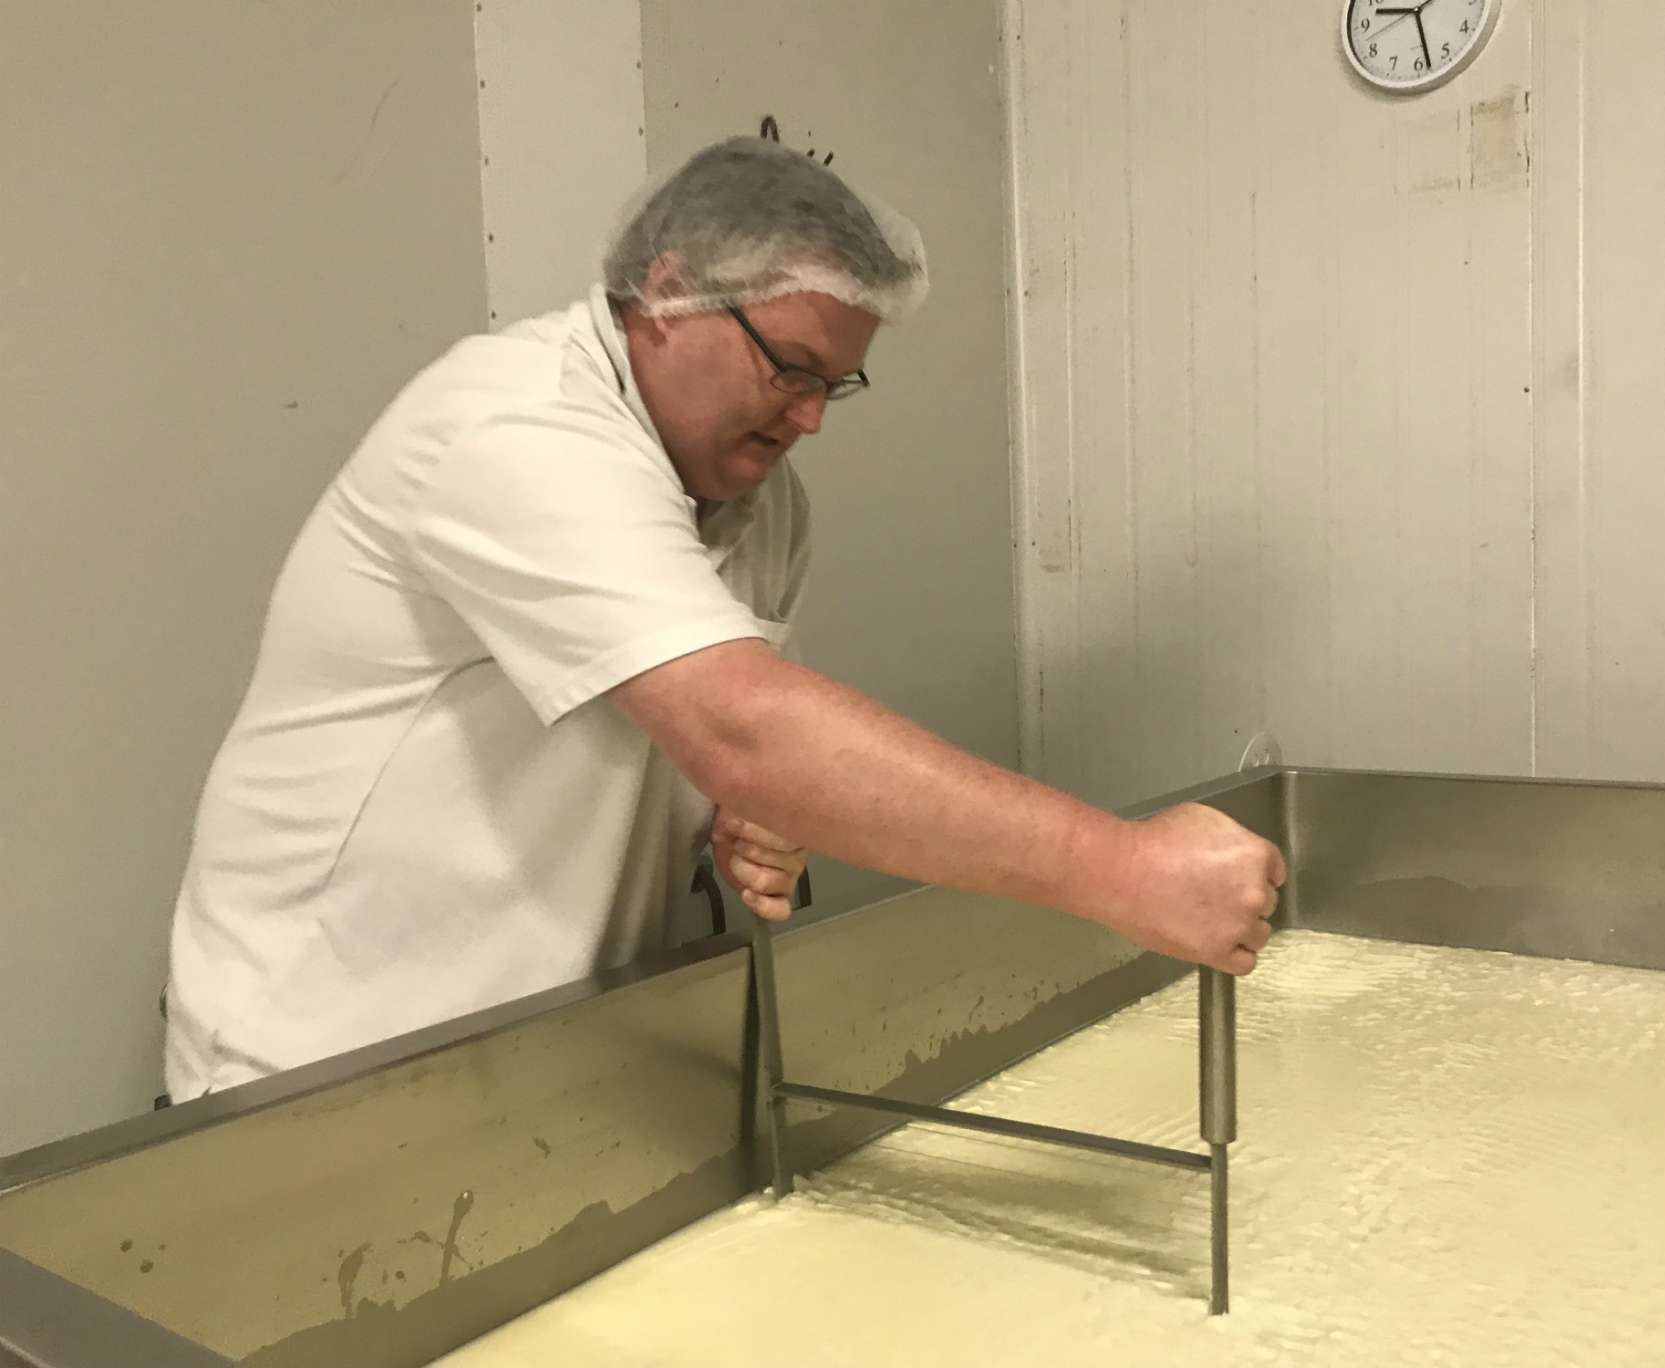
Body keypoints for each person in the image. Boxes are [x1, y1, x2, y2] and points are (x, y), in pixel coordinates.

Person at [162, 137, 1283, 1102]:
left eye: (834, 385)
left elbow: (727, 745)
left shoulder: (758, 505)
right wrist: (1126, 870)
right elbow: (747, 725)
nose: (809, 420)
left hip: (533, 1062)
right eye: (790, 369)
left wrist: (749, 821)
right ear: (664, 294)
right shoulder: (513, 431)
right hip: (316, 1066)